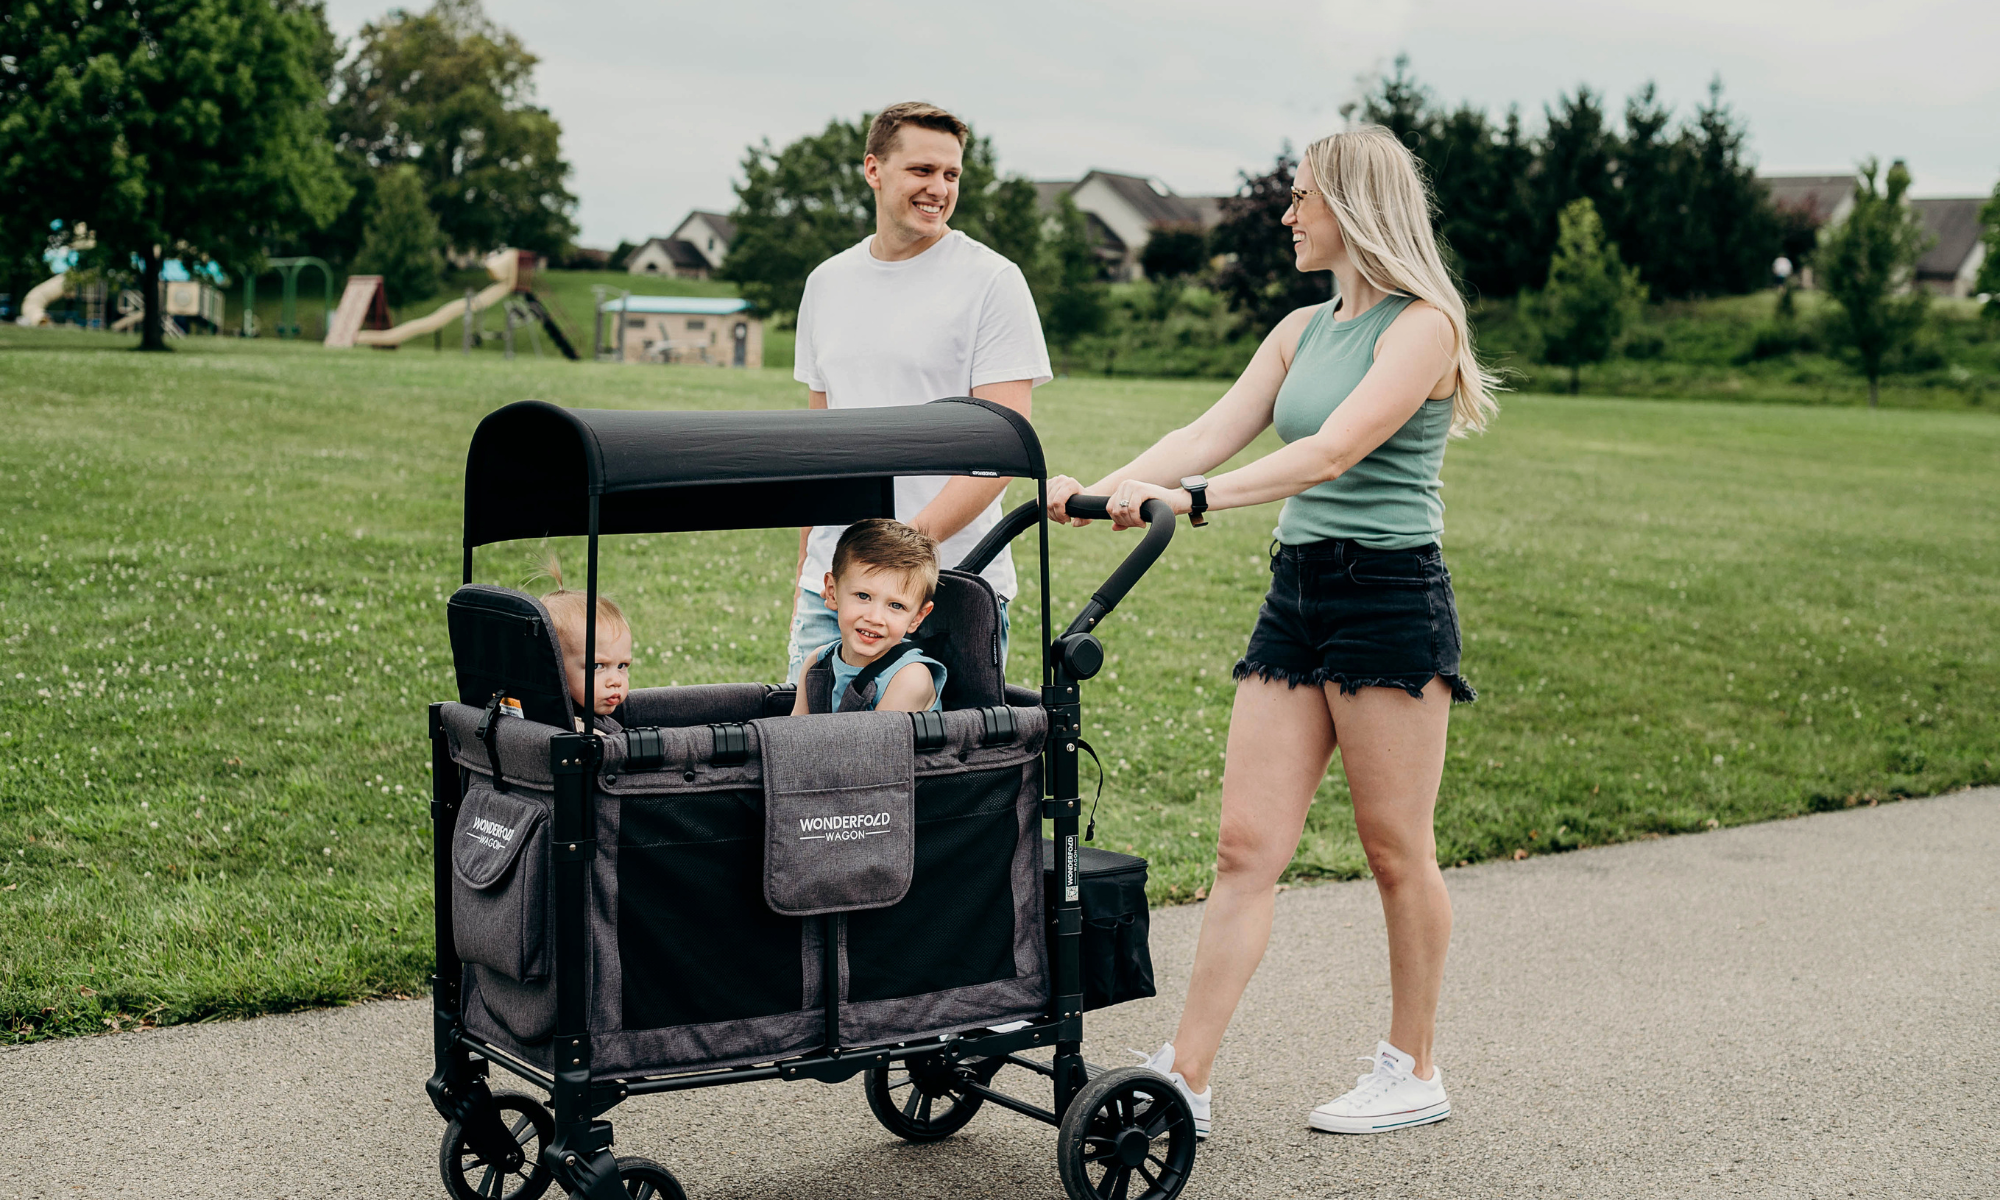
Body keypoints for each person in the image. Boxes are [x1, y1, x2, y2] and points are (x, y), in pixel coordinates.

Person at [1045, 126, 1501, 1140]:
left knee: (1394, 850)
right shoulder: (1299, 329)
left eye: (1303, 198)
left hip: (1389, 595)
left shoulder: (1423, 327)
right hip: (1297, 592)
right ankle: (1187, 1076)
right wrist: (1097, 488)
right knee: (1244, 845)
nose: (1287, 215)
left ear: (1354, 205)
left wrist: (1195, 498)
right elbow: (1206, 433)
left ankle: (1412, 1067)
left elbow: (1332, 452)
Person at [785, 100, 1051, 685]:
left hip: (950, 587)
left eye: (951, 174)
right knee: (808, 739)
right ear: (873, 170)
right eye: (922, 170)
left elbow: (1003, 447)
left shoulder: (992, 281)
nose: (939, 189)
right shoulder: (826, 283)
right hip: (834, 591)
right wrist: (810, 566)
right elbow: (818, 444)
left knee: (942, 745)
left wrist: (900, 558)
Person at [790, 519, 948, 715]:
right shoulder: (817, 663)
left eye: (896, 605)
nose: (875, 618)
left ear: (917, 617)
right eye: (863, 596)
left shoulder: (909, 678)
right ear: (832, 592)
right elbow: (795, 732)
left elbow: (870, 736)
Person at [537, 557, 633, 729]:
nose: (616, 681)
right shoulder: (581, 733)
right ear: (554, 668)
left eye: (622, 666)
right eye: (597, 666)